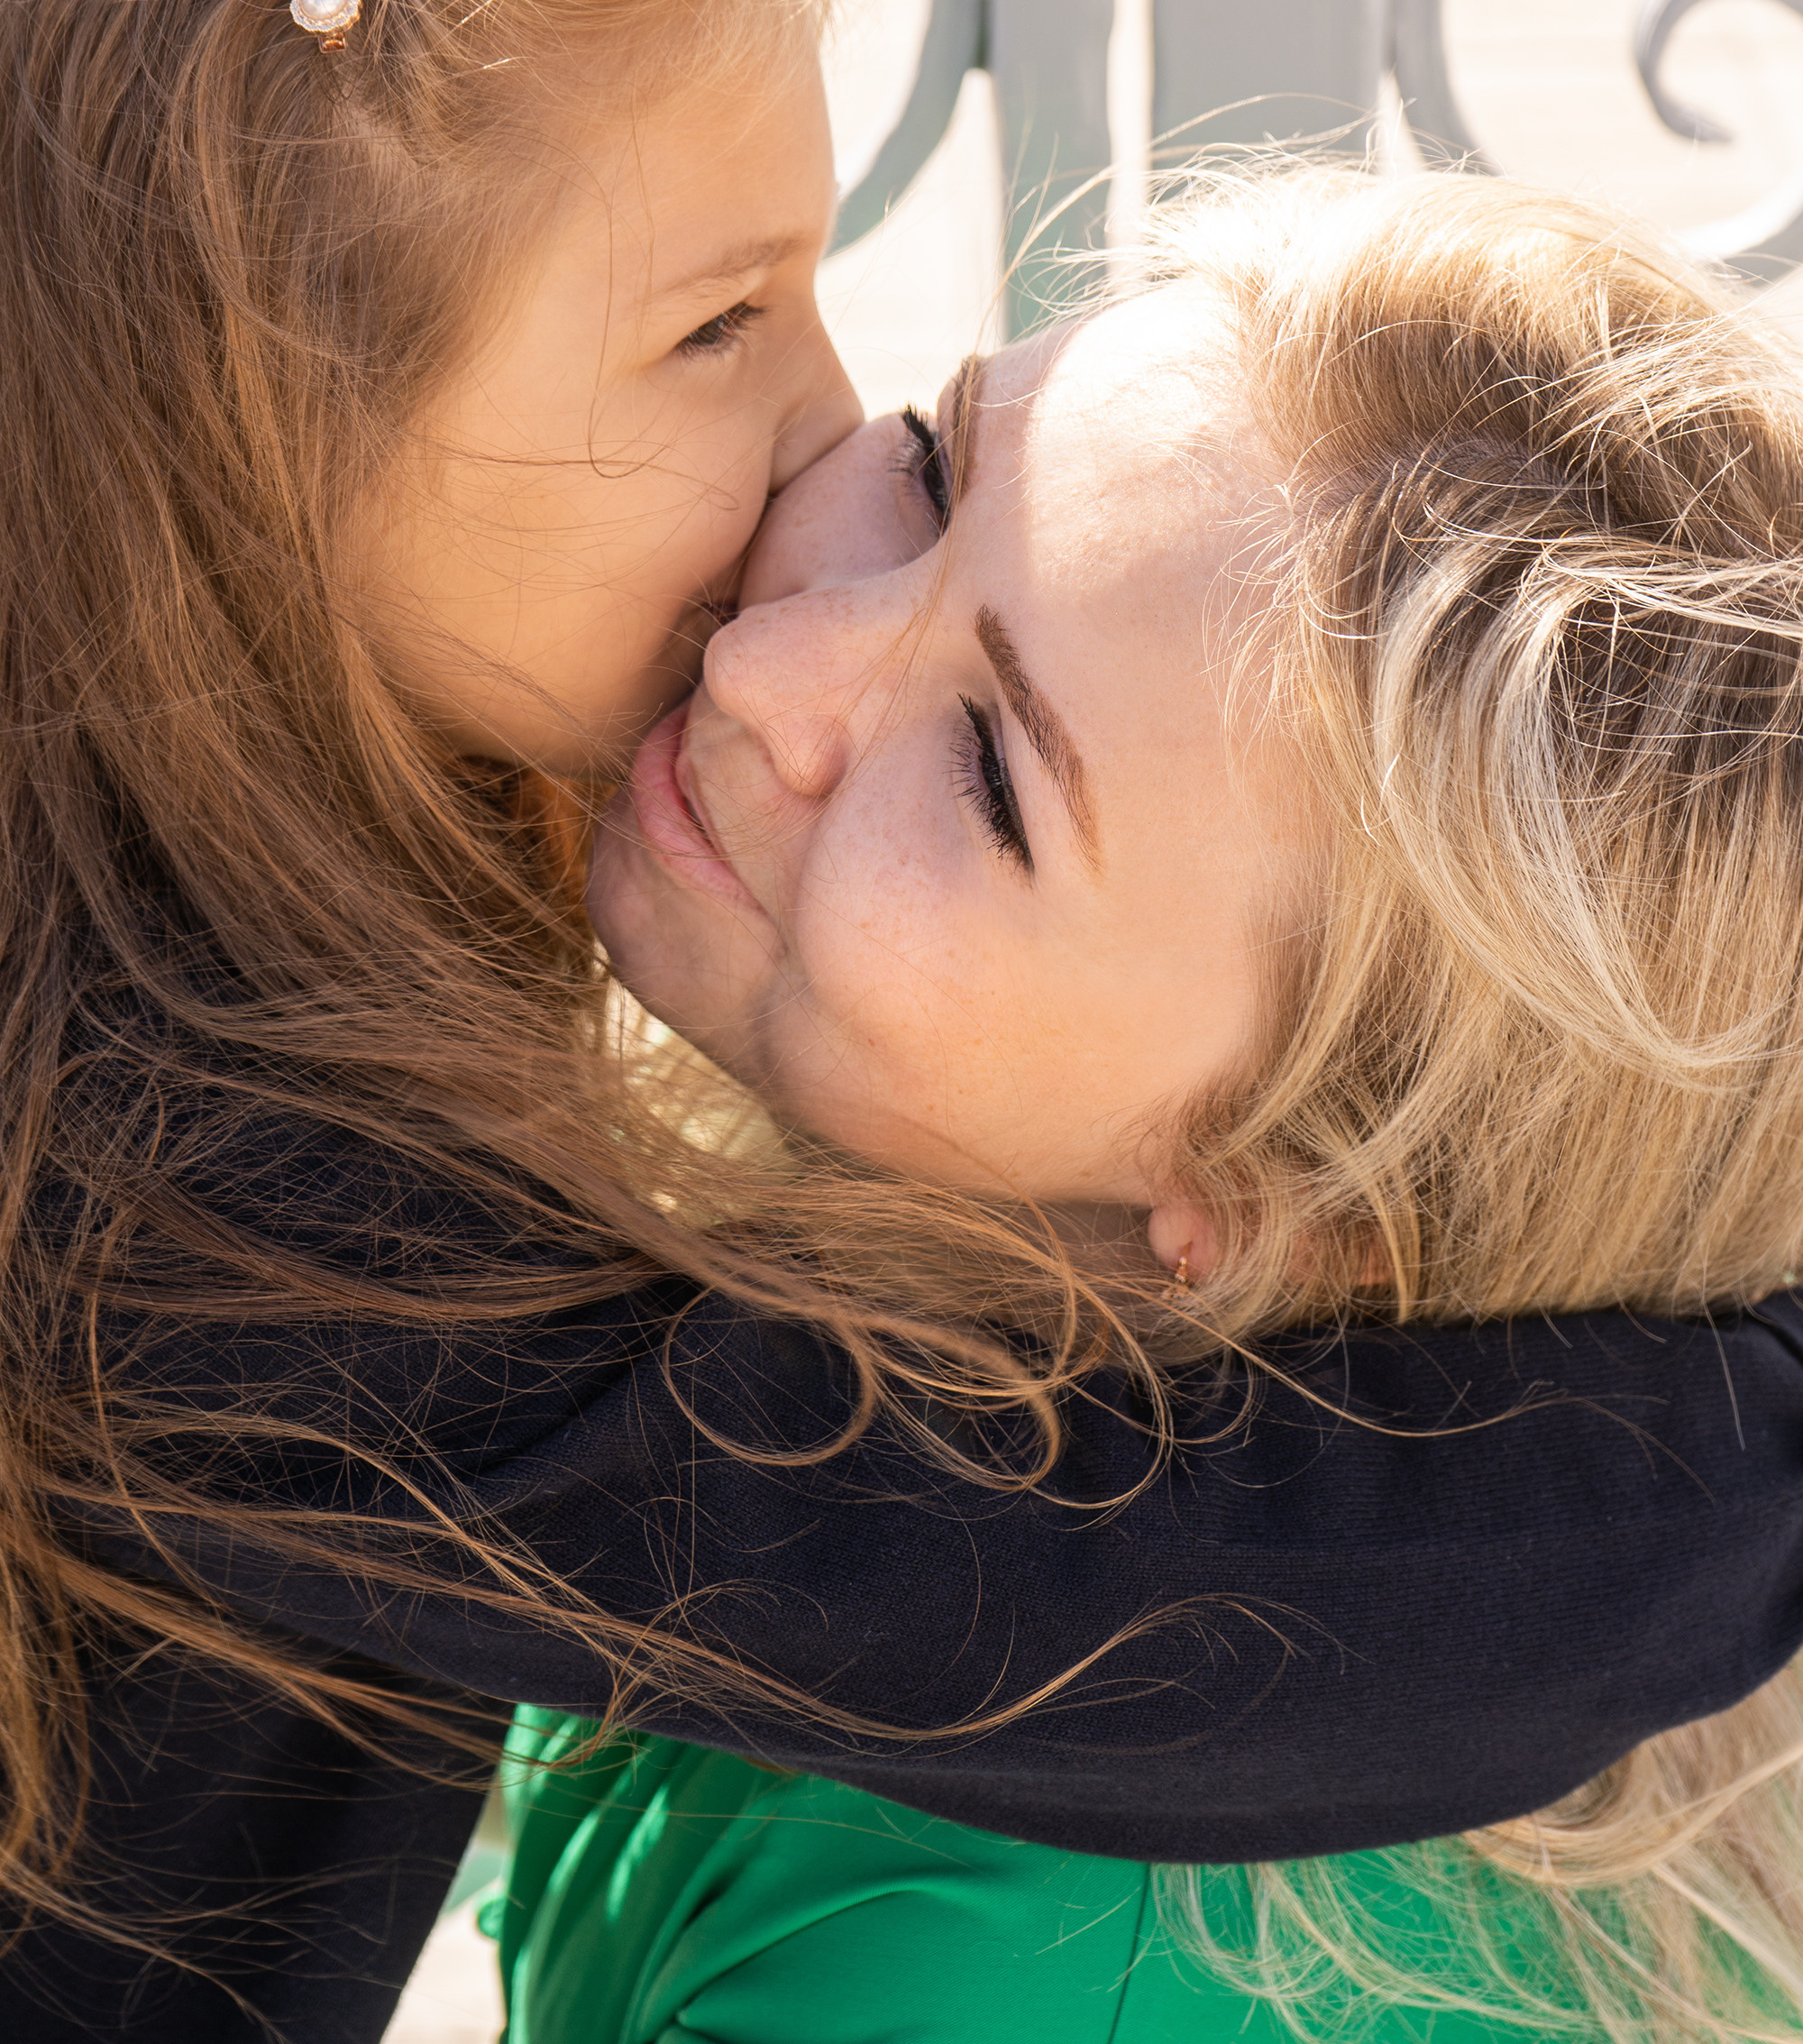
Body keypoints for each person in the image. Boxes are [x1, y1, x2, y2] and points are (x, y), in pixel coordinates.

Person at [0, 0, 1799, 2044]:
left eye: (984, 764)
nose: (782, 601)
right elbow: (1195, 1605)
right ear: (231, 460)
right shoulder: (167, 1186)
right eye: (726, 334)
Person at [518, 170, 1803, 2043]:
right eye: (929, 474)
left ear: (1291, 1205)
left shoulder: (974, 1975)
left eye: (983, 781)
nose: (761, 663)